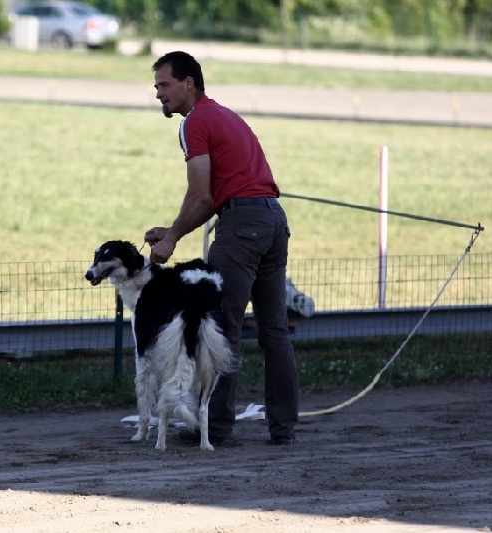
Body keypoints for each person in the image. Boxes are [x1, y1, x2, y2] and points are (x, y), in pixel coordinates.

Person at [144, 51, 299, 446]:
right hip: (273, 221)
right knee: (275, 330)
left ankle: (214, 427)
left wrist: (172, 239)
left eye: (164, 84)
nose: (158, 93)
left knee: (219, 327)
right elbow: (214, 198)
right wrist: (172, 228)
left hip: (242, 227)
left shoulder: (194, 123)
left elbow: (201, 197)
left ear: (188, 84)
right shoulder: (226, 115)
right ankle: (283, 428)